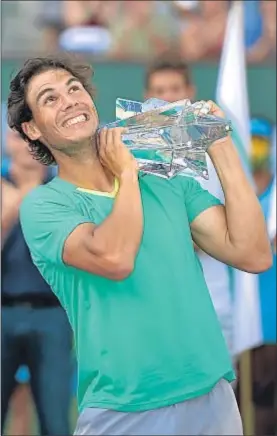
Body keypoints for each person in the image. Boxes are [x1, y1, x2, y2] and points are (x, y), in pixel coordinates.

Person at [7, 55, 272, 436]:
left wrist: (222, 145)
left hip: (212, 395)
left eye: (74, 89)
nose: (69, 101)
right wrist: (127, 173)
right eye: (50, 99)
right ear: (32, 129)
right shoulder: (45, 205)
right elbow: (115, 258)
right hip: (125, 410)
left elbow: (253, 253)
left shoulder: (167, 180)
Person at [144, 59, 235, 359]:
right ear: (146, 96)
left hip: (212, 299)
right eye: (159, 90)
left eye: (174, 89)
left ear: (190, 93)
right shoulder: (131, 157)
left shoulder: (217, 151)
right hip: (156, 302)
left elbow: (226, 224)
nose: (166, 97)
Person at [1, 128, 72, 435]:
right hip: (3, 313)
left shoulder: (64, 193)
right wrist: (11, 209)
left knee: (55, 421)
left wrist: (33, 201)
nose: (27, 147)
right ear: (7, 142)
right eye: (19, 138)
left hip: (53, 315)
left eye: (35, 140)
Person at [249, 117, 277, 436]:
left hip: (271, 316)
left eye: (260, 140)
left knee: (267, 400)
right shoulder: (233, 193)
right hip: (238, 314)